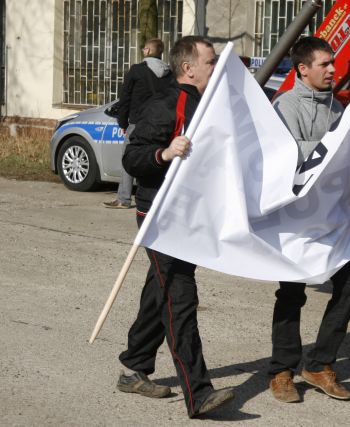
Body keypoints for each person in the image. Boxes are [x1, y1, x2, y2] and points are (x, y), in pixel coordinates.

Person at [117, 35, 234, 418]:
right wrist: (164, 153)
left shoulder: (210, 105)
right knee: (180, 299)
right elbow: (133, 158)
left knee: (161, 289)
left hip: (191, 215)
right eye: (211, 62)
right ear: (189, 68)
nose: (216, 67)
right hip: (161, 217)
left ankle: (135, 366)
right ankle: (198, 393)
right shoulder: (165, 104)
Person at [268, 36, 350, 403]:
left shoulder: (340, 111)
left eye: (333, 63)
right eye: (325, 64)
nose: (334, 70)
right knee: (292, 294)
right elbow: (283, 157)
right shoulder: (285, 106)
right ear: (303, 69)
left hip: (333, 221)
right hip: (296, 223)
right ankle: (282, 370)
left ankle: (319, 365)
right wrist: (335, 153)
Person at [103, 37, 173, 209]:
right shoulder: (169, 73)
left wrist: (122, 123)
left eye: (144, 49)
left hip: (137, 123)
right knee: (156, 160)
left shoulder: (136, 70)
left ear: (148, 51)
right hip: (161, 125)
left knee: (129, 158)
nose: (143, 51)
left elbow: (125, 99)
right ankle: (156, 199)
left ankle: (124, 199)